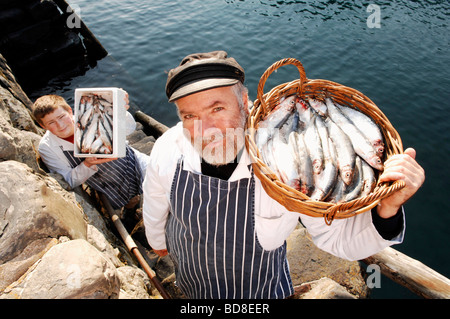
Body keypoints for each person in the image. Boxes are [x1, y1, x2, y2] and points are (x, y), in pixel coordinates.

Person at [142, 51, 425, 299]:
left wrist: (387, 209)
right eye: (189, 116)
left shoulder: (285, 159)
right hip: (191, 274)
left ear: (244, 101)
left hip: (260, 289)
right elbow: (155, 200)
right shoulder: (169, 147)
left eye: (217, 108)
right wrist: (157, 243)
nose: (206, 128)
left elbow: (340, 240)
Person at [32, 94, 150, 209]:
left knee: (158, 186)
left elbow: (129, 129)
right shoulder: (47, 147)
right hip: (108, 186)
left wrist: (120, 112)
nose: (60, 125)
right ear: (43, 126)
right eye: (51, 123)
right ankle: (131, 206)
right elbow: (67, 180)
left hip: (132, 163)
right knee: (129, 204)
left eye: (61, 117)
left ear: (70, 111)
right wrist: (87, 164)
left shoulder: (90, 115)